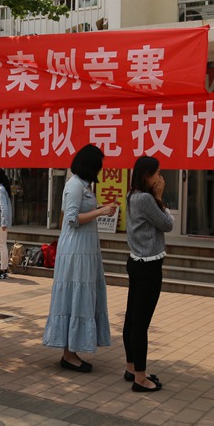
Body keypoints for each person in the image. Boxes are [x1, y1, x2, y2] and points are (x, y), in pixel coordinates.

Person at [42, 144, 118, 372]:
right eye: (98, 164)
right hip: (76, 250)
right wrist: (101, 211)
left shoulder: (82, 185)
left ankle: (72, 350)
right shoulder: (74, 185)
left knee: (81, 296)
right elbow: (72, 219)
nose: (101, 168)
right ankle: (68, 354)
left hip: (84, 249)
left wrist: (101, 208)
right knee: (75, 296)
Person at [123, 155, 172, 393]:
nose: (160, 178)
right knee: (140, 323)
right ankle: (140, 379)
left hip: (136, 261)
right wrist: (159, 197)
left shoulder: (132, 195)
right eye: (157, 174)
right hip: (148, 266)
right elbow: (167, 224)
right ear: (147, 176)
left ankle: (132, 368)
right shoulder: (145, 199)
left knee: (132, 318)